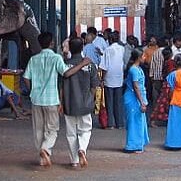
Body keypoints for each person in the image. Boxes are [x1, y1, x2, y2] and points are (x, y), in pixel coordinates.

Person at [23, 32, 88, 167]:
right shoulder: (56, 58)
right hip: (51, 100)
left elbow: (26, 78)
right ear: (52, 43)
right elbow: (67, 73)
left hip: (36, 100)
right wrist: (82, 64)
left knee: (38, 129)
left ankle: (42, 158)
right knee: (52, 129)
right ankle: (45, 149)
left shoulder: (33, 59)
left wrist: (32, 90)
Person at [61, 38, 99, 168]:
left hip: (69, 103)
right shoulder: (89, 65)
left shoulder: (65, 64)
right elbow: (94, 86)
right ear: (82, 47)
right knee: (86, 130)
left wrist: (61, 102)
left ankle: (74, 161)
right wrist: (91, 99)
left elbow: (61, 85)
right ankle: (82, 148)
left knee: (71, 133)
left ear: (70, 48)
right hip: (85, 103)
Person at [123, 48, 149, 153]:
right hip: (133, 98)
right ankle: (133, 145)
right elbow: (136, 87)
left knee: (138, 121)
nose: (145, 57)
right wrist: (142, 102)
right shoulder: (134, 70)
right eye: (143, 56)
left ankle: (138, 143)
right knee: (135, 122)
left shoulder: (138, 69)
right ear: (138, 57)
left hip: (136, 97)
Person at [99, 31, 126, 129]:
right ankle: (120, 123)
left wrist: (102, 79)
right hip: (119, 78)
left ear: (110, 40)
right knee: (118, 102)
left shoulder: (107, 50)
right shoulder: (122, 49)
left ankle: (110, 123)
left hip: (109, 79)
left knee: (109, 102)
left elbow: (104, 67)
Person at [150, 47, 175, 127]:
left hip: (165, 84)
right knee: (165, 103)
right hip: (169, 85)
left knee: (161, 103)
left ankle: (156, 120)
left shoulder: (166, 62)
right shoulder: (171, 63)